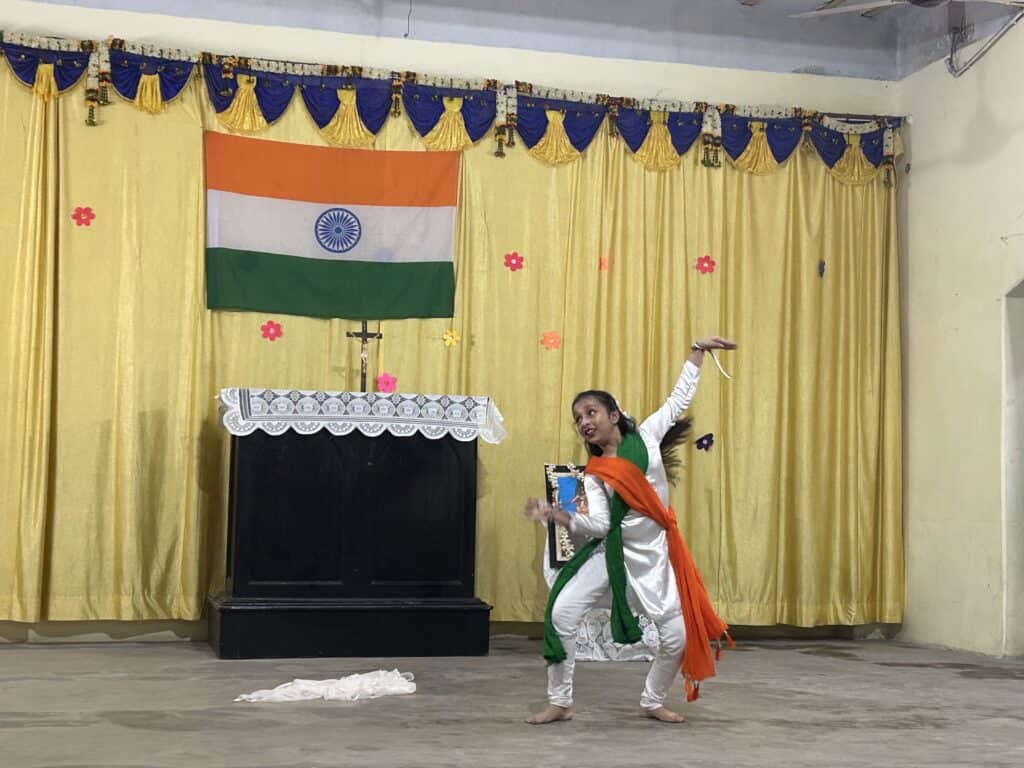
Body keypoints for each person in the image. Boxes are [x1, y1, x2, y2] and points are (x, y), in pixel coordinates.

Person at [522, 336, 736, 725]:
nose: (585, 422)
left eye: (591, 412)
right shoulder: (593, 475)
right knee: (563, 613)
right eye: (578, 418)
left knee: (677, 637)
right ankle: (560, 702)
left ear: (614, 414)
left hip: (653, 555)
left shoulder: (648, 438)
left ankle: (652, 700)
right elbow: (601, 526)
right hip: (612, 555)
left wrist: (696, 351)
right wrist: (557, 514)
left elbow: (678, 399)